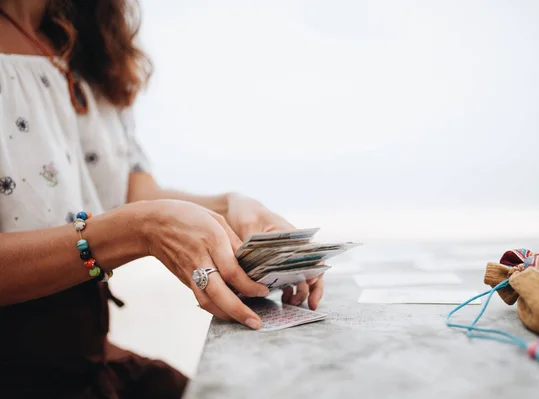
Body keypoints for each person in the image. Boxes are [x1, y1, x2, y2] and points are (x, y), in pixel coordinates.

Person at [0, 0, 325, 397]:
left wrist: (229, 207)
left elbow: (128, 192)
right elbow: (137, 216)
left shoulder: (82, 40)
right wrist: (141, 230)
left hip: (82, 360)